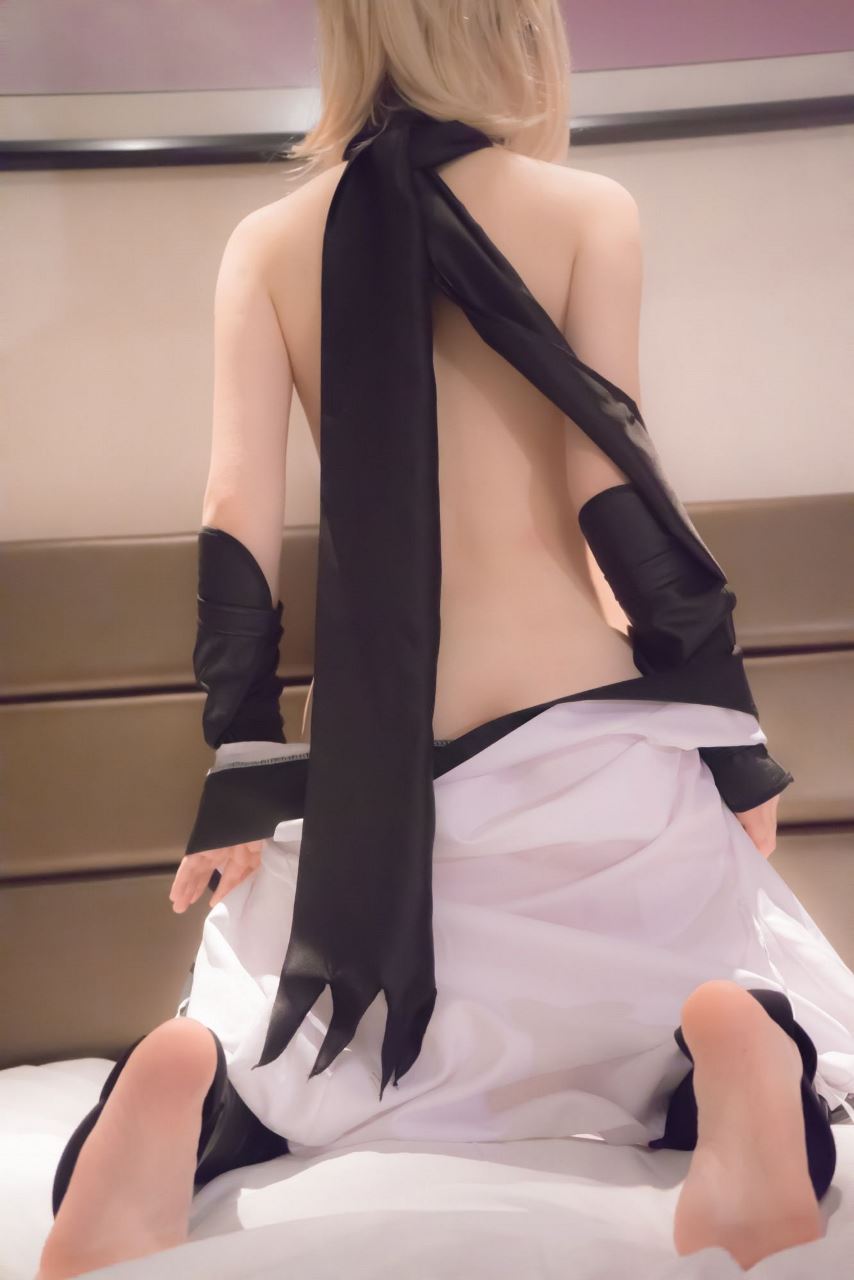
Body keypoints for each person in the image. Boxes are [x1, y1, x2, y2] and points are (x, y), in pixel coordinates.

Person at [37, 3, 854, 1277]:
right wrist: (728, 734)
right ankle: (728, 1044)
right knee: (708, 990)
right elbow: (614, 491)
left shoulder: (266, 245)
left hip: (371, 804)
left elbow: (233, 518)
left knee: (271, 1039)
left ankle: (191, 1075)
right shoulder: (587, 213)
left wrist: (241, 762)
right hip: (589, 779)